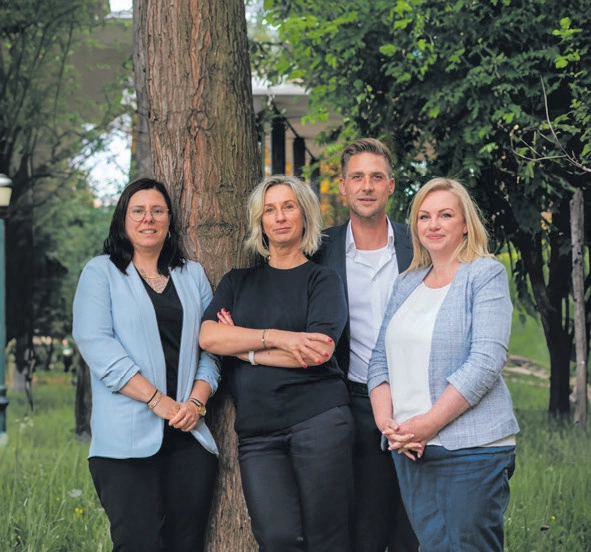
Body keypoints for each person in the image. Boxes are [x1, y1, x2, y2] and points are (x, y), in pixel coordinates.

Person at [199, 175, 353, 552]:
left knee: (326, 538)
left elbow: (318, 352)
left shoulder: (323, 280)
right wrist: (280, 338)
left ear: (305, 216)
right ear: (260, 222)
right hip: (258, 433)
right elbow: (209, 336)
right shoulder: (237, 282)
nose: (280, 217)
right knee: (276, 537)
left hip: (320, 421)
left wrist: (243, 349)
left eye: (288, 207)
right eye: (270, 210)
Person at [368, 177, 520, 551]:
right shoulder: (406, 283)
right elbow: (379, 360)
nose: (433, 225)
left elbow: (486, 362)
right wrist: (388, 425)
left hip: (472, 449)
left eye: (445, 215)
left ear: (465, 224)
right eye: (424, 216)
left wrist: (428, 424)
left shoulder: (484, 274)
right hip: (410, 449)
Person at [73, 178, 220, 552]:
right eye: (137, 211)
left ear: (170, 219)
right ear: (123, 219)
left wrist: (196, 403)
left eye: (157, 210)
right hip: (124, 445)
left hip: (188, 439)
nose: (148, 219)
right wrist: (158, 401)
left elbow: (212, 348)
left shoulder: (192, 275)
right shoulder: (101, 273)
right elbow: (98, 346)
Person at [312, 138, 418, 552]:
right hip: (351, 402)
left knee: (412, 529)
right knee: (364, 530)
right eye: (357, 177)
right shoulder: (319, 250)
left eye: (376, 177)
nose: (367, 186)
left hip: (416, 400)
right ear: (342, 186)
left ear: (391, 185)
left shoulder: (418, 244)